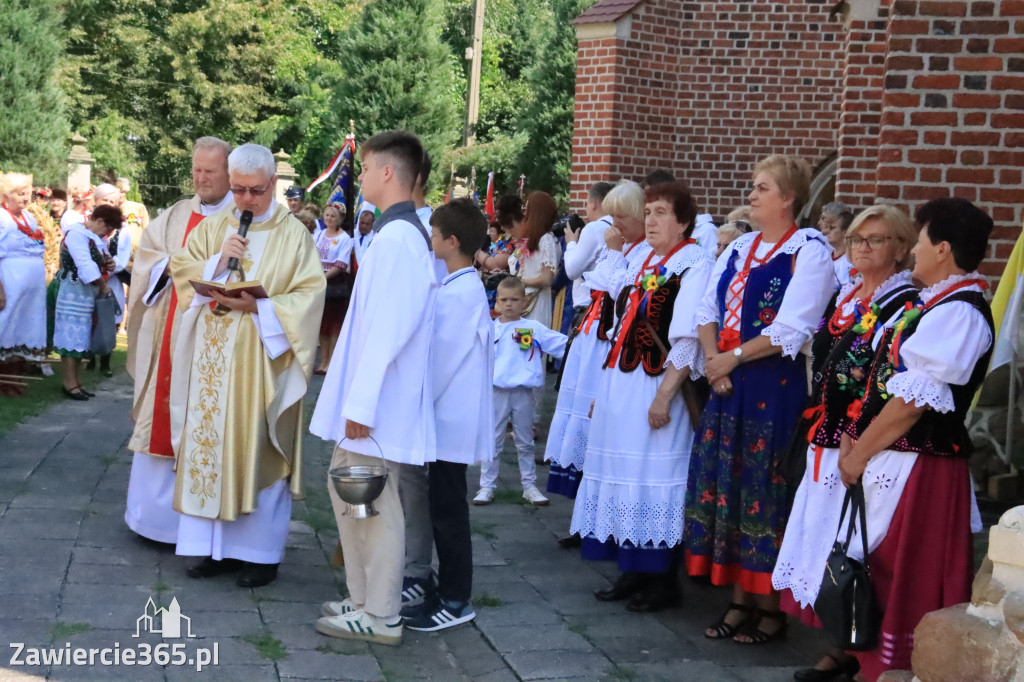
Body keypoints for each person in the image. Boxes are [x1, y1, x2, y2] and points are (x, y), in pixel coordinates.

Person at [837, 198, 993, 681]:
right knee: (880, 565)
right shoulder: (937, 304)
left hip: (923, 466)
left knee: (906, 572)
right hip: (901, 460)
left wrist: (857, 455)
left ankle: (901, 667)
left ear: (942, 248)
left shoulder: (960, 312)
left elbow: (912, 402)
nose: (915, 251)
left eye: (921, 240)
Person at [682, 154, 834, 644]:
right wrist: (712, 359)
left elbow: (794, 327)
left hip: (775, 389)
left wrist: (731, 359)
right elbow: (707, 308)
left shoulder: (808, 250)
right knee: (727, 489)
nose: (751, 195)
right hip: (727, 384)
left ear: (788, 199)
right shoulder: (740, 246)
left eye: (762, 188)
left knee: (765, 494)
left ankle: (771, 607)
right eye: (753, 186)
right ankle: (738, 597)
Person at [167, 143, 325, 588]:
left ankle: (259, 555)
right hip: (210, 364)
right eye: (238, 190)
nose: (246, 201)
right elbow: (183, 270)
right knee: (208, 447)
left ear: (273, 185)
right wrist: (217, 261)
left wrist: (260, 308)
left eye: (255, 191)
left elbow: (310, 295)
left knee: (255, 446)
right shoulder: (216, 225)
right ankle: (209, 549)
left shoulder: (294, 235)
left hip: (261, 365)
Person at [771, 205, 918, 682]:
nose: (863, 248)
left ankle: (859, 651)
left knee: (857, 547)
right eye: (857, 240)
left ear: (900, 248)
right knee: (825, 543)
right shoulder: (850, 294)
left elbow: (893, 377)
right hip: (827, 432)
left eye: (875, 240)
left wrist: (861, 433)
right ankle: (839, 644)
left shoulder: (906, 304)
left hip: (863, 441)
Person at [310, 130, 437, 646]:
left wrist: (360, 401)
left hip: (378, 404)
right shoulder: (392, 236)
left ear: (388, 173)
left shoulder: (401, 239)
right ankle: (363, 599)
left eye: (364, 170)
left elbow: (389, 327)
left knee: (372, 501)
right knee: (352, 496)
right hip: (373, 400)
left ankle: (381, 612)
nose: (358, 179)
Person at [570, 180, 713, 612]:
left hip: (655, 383)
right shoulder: (644, 258)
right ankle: (631, 567)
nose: (651, 220)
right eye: (648, 212)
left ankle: (661, 580)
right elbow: (620, 320)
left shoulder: (695, 262)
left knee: (653, 475)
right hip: (623, 380)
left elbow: (687, 338)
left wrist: (664, 397)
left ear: (683, 221)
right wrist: (602, 389)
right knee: (622, 471)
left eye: (661, 213)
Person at [124, 136, 234, 545]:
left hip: (216, 336)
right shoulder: (172, 217)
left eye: (210, 171)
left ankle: (200, 524)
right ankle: (151, 520)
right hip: (170, 329)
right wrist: (172, 267)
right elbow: (147, 264)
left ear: (228, 172)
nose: (201, 179)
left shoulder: (243, 218)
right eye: (196, 170)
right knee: (161, 418)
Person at [400, 200, 494, 632]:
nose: (430, 238)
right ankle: (442, 588)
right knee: (443, 507)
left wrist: (414, 403)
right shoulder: (457, 285)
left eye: (434, 233)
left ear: (452, 242)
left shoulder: (461, 293)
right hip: (447, 419)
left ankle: (457, 599)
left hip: (449, 420)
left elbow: (442, 362)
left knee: (449, 512)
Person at [545, 181, 647, 502]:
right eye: (612, 216)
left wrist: (613, 253)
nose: (614, 224)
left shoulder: (639, 251)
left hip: (608, 342)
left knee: (595, 418)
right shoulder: (620, 245)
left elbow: (623, 297)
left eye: (622, 217)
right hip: (592, 336)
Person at [473, 277, 567, 506]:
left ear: (524, 301)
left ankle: (529, 485)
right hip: (496, 392)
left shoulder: (533, 329)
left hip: (524, 393)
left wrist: (581, 342)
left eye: (514, 299)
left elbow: (563, 346)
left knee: (525, 441)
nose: (508, 304)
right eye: (503, 299)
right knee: (492, 441)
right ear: (496, 302)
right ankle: (487, 485)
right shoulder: (489, 329)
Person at [51, 205, 120, 400]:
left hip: (86, 292)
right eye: (107, 228)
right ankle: (68, 383)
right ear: (98, 221)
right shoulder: (75, 234)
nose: (108, 233)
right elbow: (84, 264)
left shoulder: (94, 238)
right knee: (70, 337)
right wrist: (102, 284)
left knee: (80, 338)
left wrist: (109, 264)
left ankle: (76, 383)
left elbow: (99, 260)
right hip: (72, 290)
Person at [0, 173, 48, 395]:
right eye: (20, 194)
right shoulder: (2, 217)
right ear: (5, 196)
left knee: (25, 329)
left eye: (28, 193)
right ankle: (4, 381)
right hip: (10, 284)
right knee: (6, 327)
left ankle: (16, 378)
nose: (26, 198)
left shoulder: (29, 219)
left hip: (32, 290)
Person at [563, 181, 614, 321]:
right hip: (610, 306)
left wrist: (571, 242)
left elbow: (572, 271)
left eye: (586, 203)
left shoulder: (593, 229)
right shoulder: (617, 226)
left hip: (590, 307)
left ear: (593, 203)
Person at [508, 191, 560, 329]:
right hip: (525, 300)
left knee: (531, 342)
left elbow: (546, 278)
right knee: (521, 343)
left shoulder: (546, 240)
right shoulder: (534, 239)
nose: (525, 212)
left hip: (536, 302)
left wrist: (522, 282)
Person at [313, 202, 354, 375]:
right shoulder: (319, 234)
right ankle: (323, 360)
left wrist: (324, 277)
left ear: (340, 219)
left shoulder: (345, 239)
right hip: (318, 281)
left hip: (335, 283)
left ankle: (332, 362)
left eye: (333, 216)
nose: (329, 218)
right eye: (327, 215)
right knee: (322, 324)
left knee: (333, 324)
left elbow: (341, 263)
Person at [819, 201, 856, 287]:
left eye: (832, 228)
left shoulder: (851, 262)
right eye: (827, 227)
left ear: (845, 231)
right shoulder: (823, 252)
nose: (826, 231)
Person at [351, 202, 376, 271]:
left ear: (372, 224)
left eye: (367, 224)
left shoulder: (376, 238)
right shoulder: (351, 234)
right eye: (362, 223)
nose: (364, 226)